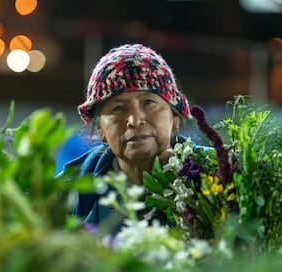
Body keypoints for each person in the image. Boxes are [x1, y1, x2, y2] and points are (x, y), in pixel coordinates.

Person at [62, 43, 204, 232]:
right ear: (100, 131)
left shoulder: (216, 176)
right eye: (118, 108)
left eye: (149, 102)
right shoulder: (72, 192)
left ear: (175, 117)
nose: (135, 120)